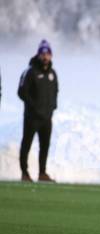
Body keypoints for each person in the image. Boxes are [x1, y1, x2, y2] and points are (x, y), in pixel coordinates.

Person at [18, 40, 58, 183]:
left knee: (45, 146)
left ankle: (42, 172)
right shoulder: (30, 71)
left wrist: (53, 107)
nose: (45, 56)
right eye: (43, 53)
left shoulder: (53, 73)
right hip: (32, 117)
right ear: (39, 54)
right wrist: (33, 107)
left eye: (48, 53)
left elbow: (55, 91)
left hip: (47, 118)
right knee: (27, 144)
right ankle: (24, 172)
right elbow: (22, 92)